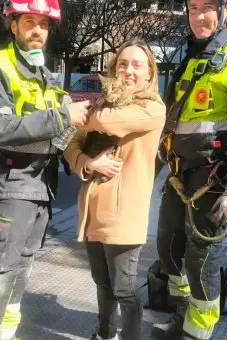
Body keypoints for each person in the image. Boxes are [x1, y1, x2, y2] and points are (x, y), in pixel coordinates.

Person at [0, 1, 91, 339]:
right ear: (14, 25)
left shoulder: (43, 74)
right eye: (30, 22)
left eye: (44, 25)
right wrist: (64, 117)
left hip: (39, 188)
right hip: (9, 187)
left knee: (21, 271)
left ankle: (4, 334)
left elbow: (58, 135)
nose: (38, 31)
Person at [153, 0, 227, 339]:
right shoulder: (192, 57)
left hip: (215, 181)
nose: (198, 16)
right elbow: (174, 122)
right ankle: (182, 316)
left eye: (207, 7)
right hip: (179, 175)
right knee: (168, 245)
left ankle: (197, 332)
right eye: (192, 8)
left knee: (200, 257)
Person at [63, 38, 166, 340]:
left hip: (124, 216)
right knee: (102, 284)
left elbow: (109, 121)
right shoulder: (103, 103)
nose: (129, 70)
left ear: (149, 73)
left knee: (124, 289)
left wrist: (79, 112)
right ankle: (105, 335)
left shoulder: (152, 109)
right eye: (122, 64)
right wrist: (88, 162)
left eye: (137, 64)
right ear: (113, 69)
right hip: (91, 212)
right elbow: (71, 144)